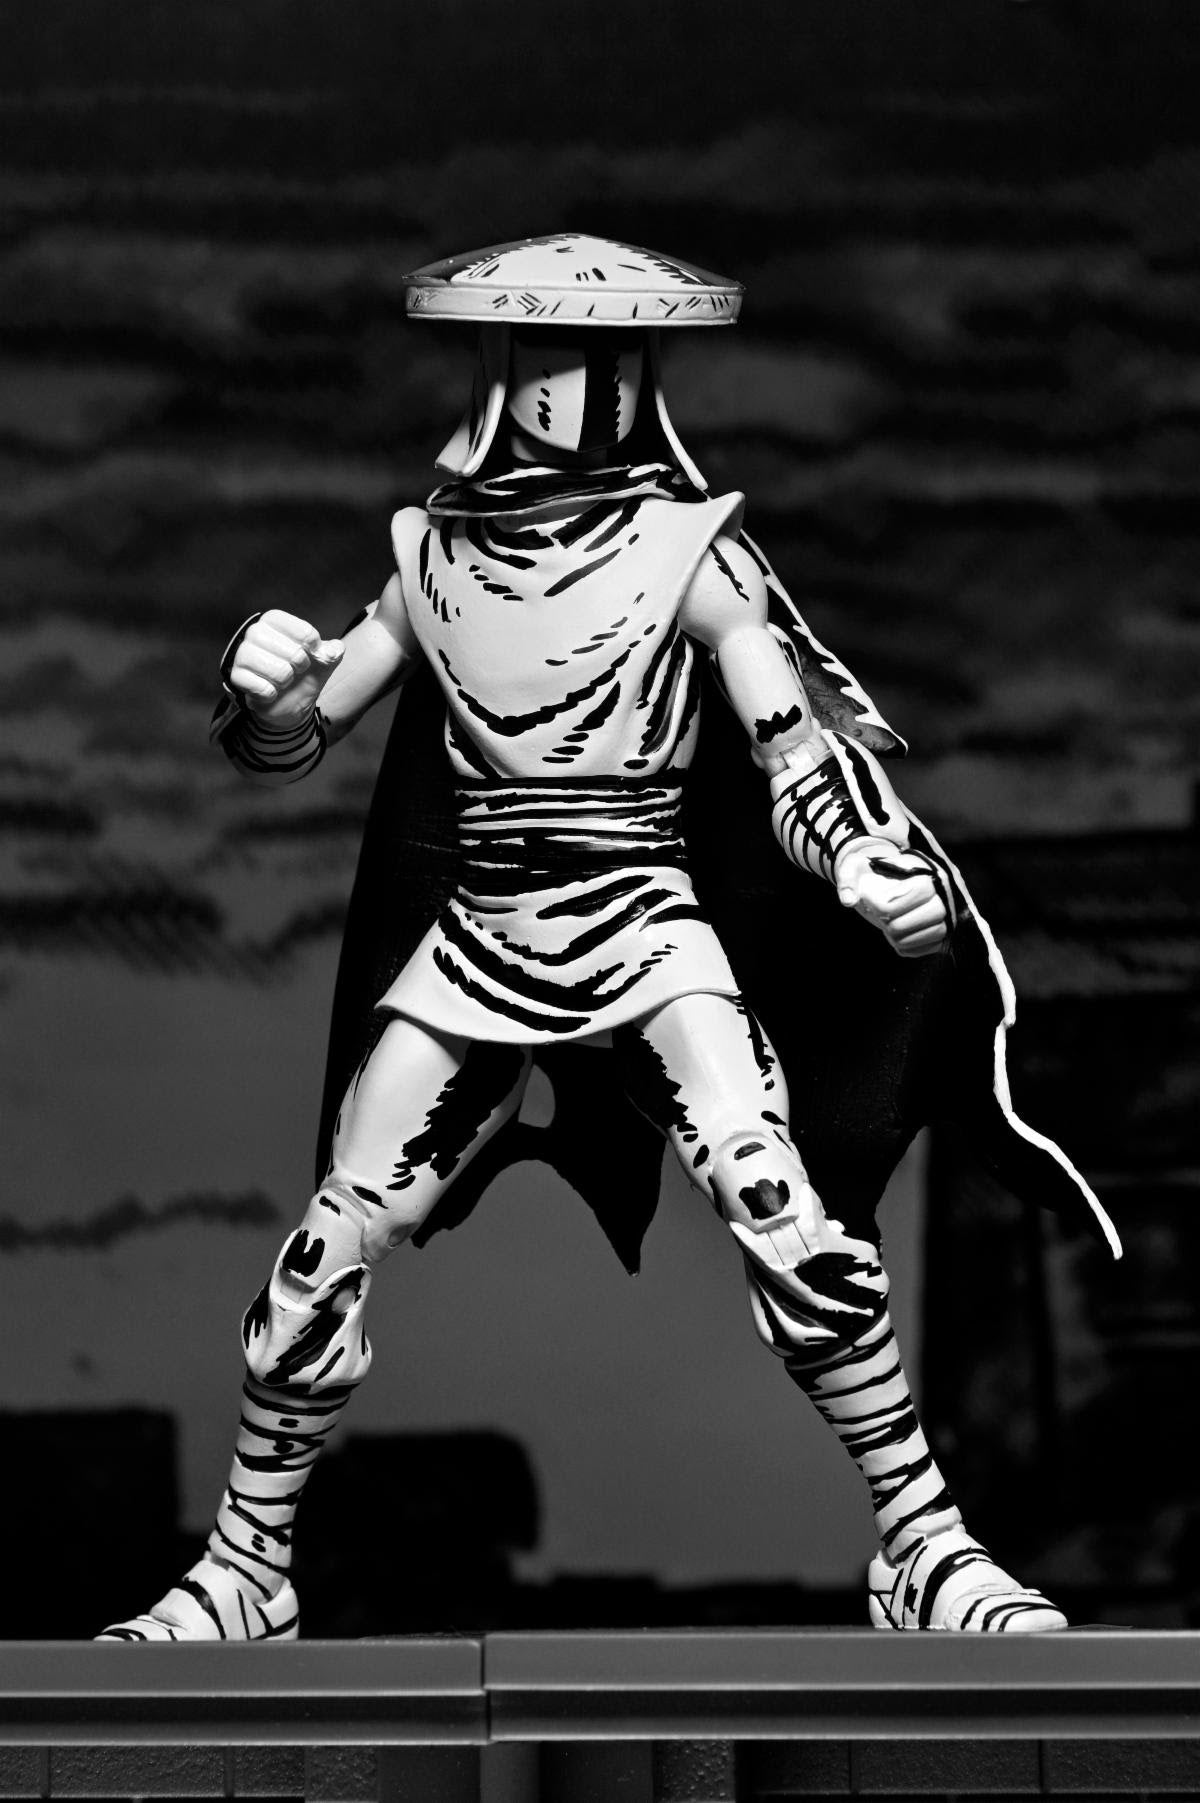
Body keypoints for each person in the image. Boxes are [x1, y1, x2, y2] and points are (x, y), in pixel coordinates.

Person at [99, 236, 1118, 1642]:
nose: (575, 387)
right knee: (327, 1252)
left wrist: (861, 862)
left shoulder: (692, 558)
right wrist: (265, 691)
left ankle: (926, 1545)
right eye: (549, 355)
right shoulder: (431, 561)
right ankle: (244, 1570)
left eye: (604, 356)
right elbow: (303, 728)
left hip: (646, 928)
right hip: (480, 941)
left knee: (786, 1217)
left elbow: (789, 752)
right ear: (499, 369)